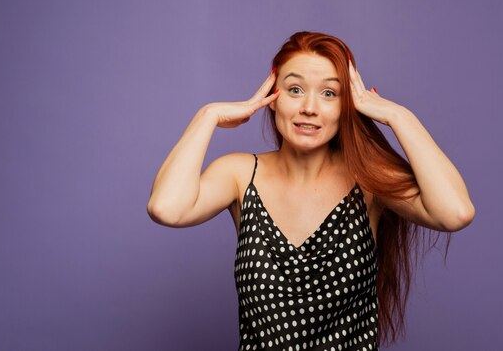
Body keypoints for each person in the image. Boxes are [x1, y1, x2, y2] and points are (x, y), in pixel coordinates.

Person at [147, 31, 475, 350]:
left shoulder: (368, 181)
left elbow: (454, 212)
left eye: (329, 94)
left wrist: (399, 116)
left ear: (348, 105)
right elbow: (166, 208)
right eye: (294, 89)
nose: (309, 107)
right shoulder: (239, 174)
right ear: (272, 98)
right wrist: (208, 115)